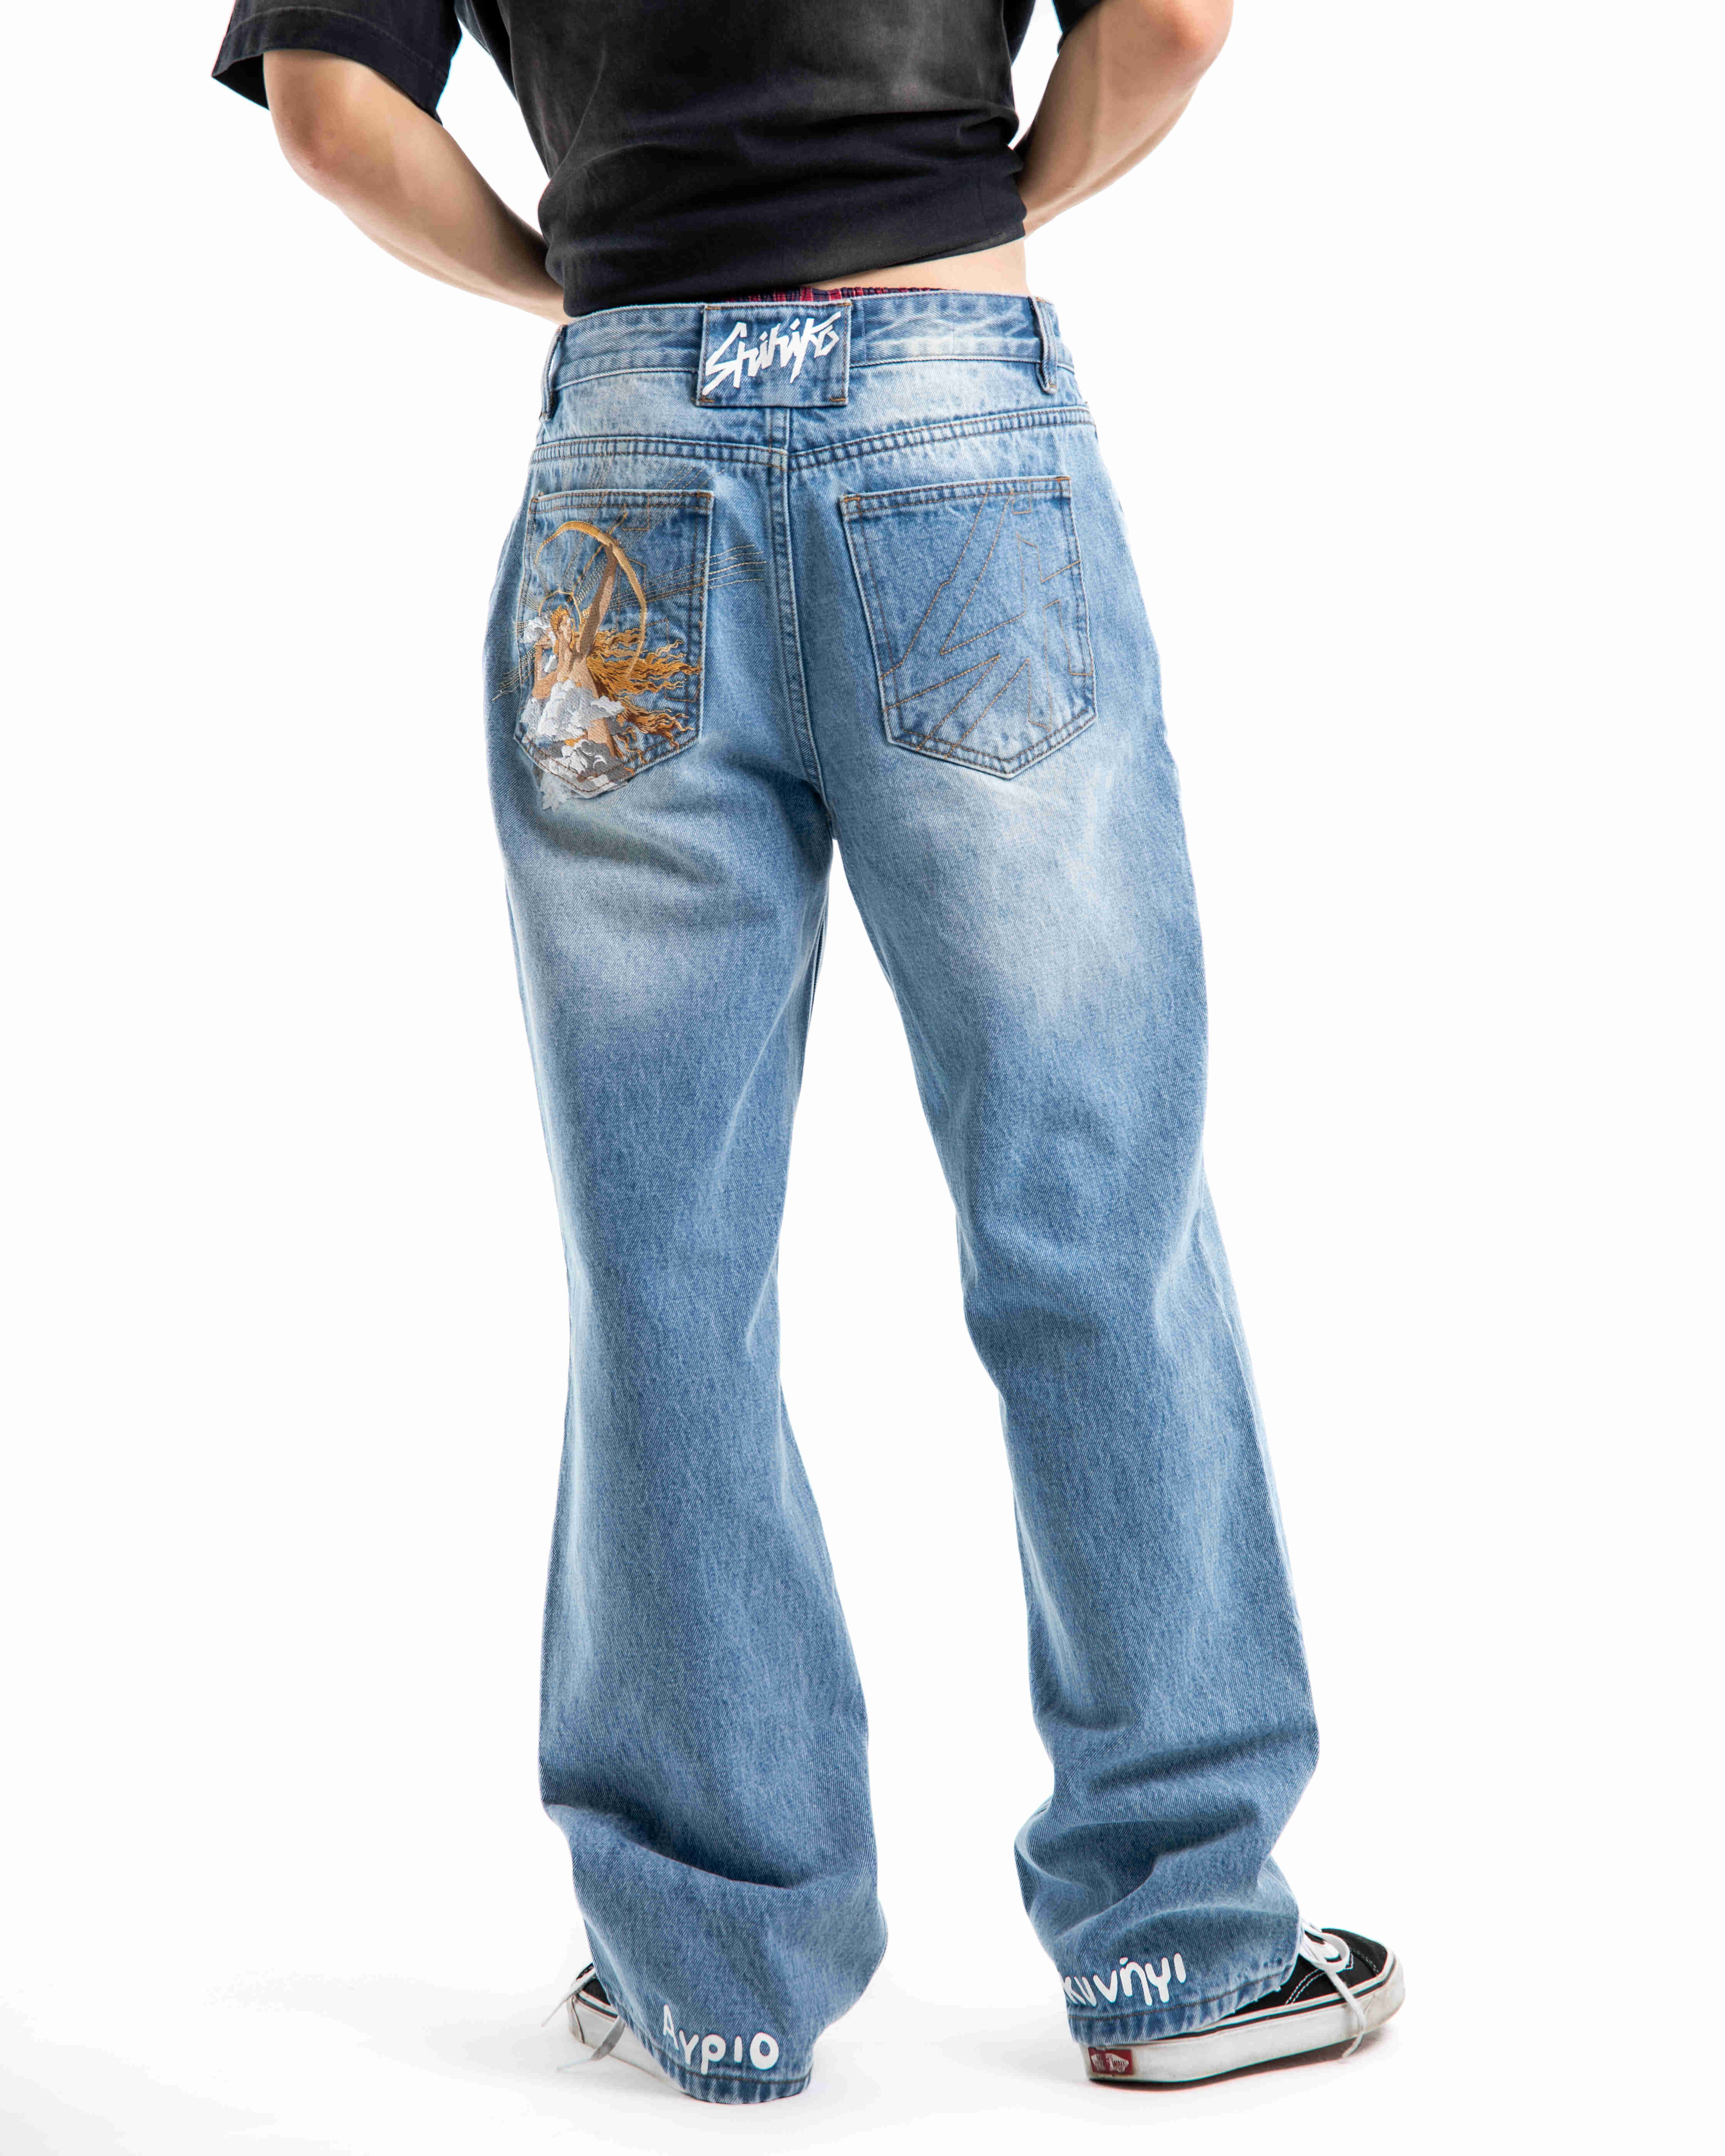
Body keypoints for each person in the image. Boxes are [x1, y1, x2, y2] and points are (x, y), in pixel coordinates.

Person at [213, 0, 1402, 2106]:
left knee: (662, 1258)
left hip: (629, 459)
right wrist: (983, 208)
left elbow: (330, 117)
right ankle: (1185, 1949)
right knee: (1091, 1208)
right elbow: (1171, 19)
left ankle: (712, 1969)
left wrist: (575, 281)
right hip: (952, 424)